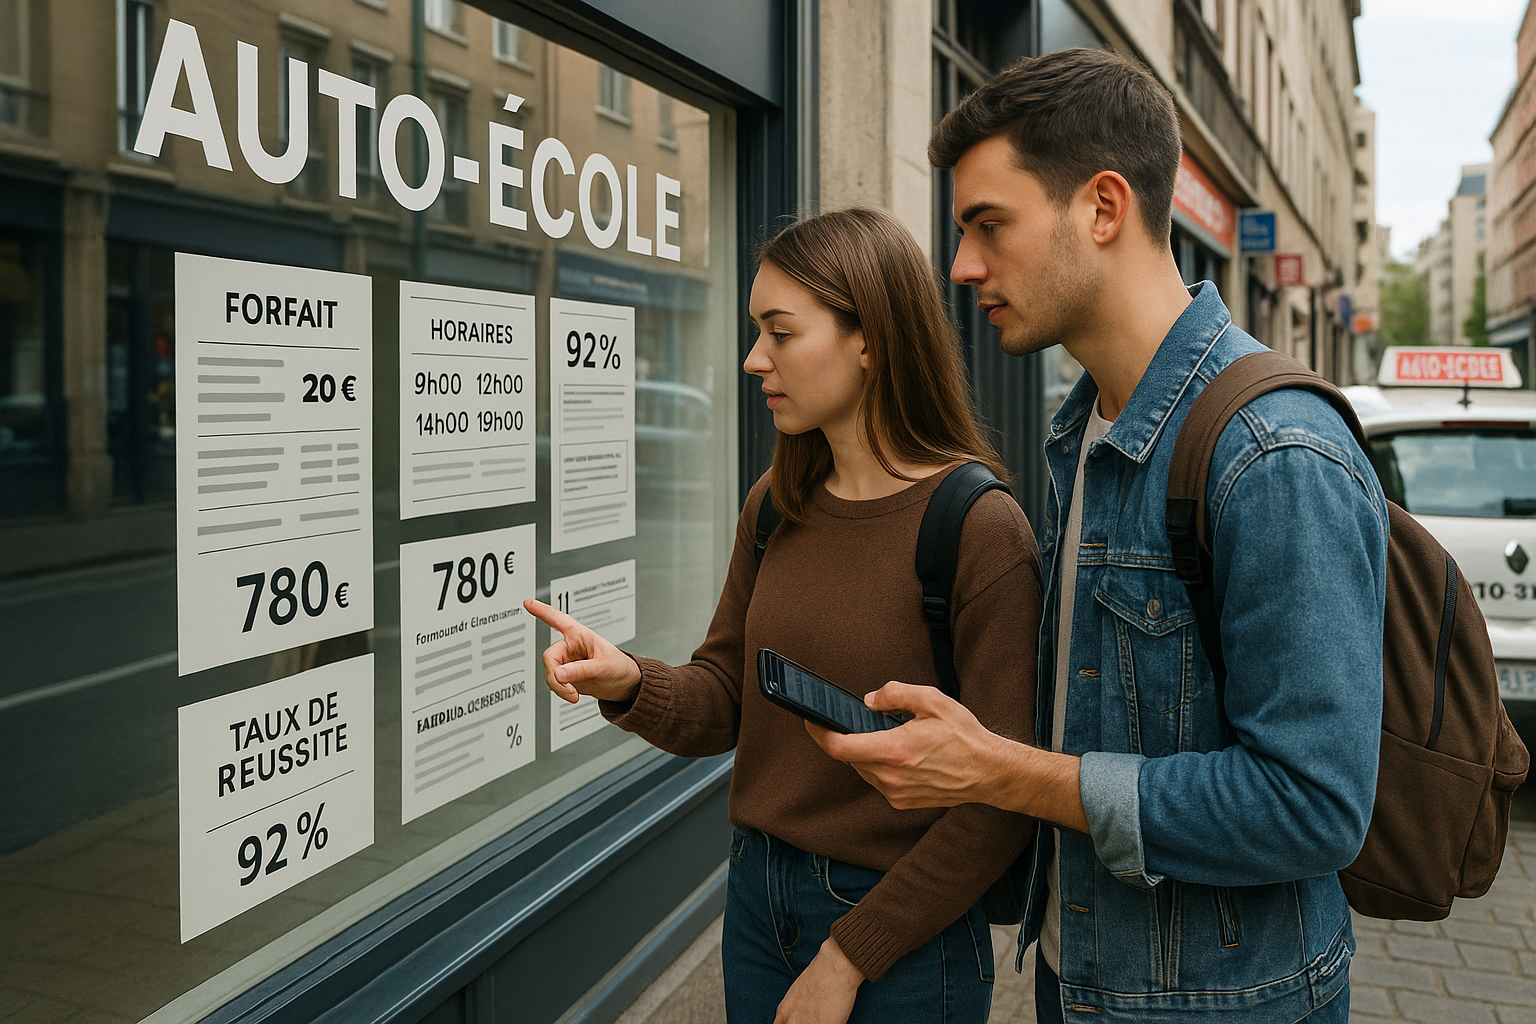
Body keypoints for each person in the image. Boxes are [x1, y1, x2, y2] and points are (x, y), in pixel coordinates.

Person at [809, 48, 1389, 1024]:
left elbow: (1314, 805)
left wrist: (1003, 772)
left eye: (989, 224)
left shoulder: (1273, 452)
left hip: (1223, 1005)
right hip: (1078, 977)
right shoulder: (1086, 429)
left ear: (1104, 208)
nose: (962, 266)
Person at [523, 208, 1042, 1024]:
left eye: (781, 331)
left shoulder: (979, 529)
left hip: (906, 935)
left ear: (869, 340)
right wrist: (627, 681)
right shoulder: (776, 504)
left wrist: (851, 955)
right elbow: (727, 697)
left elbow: (1001, 801)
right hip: (757, 900)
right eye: (756, 331)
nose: (754, 358)